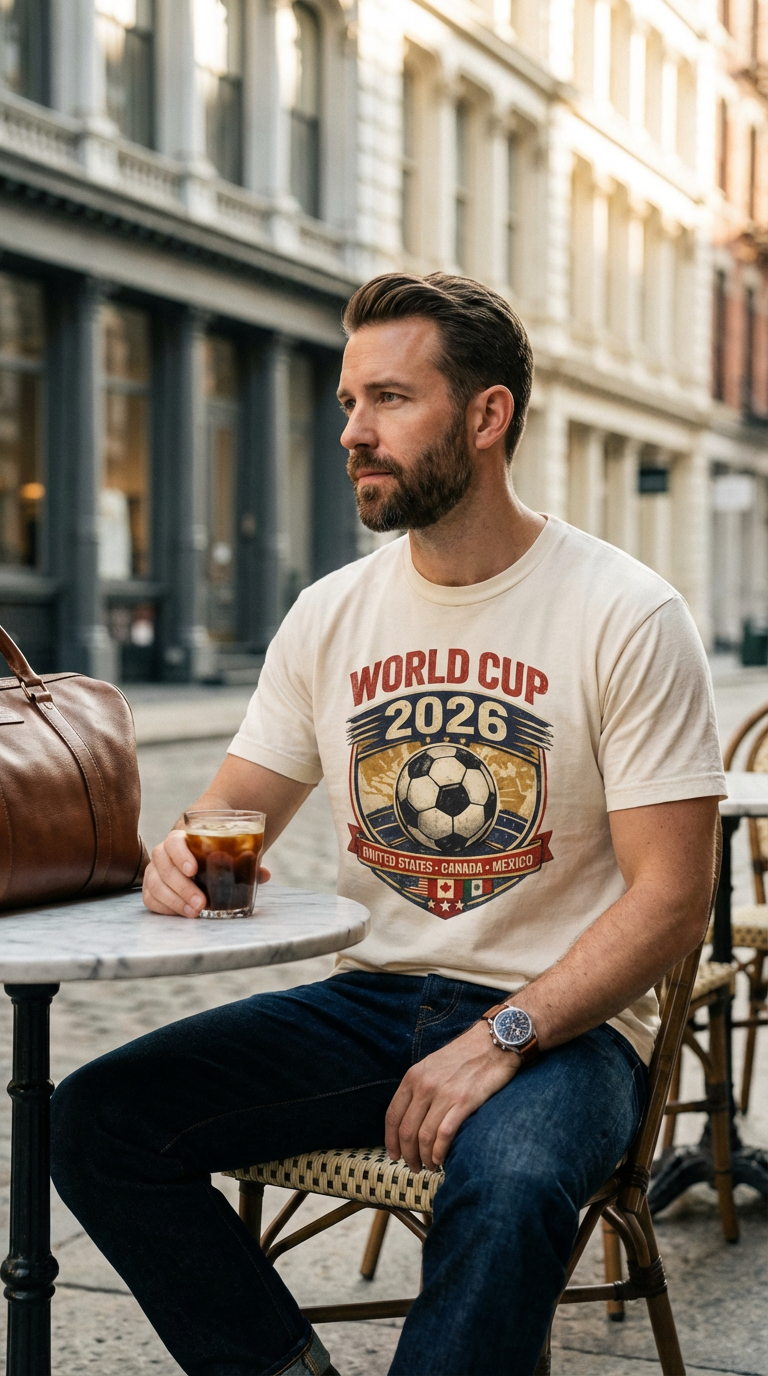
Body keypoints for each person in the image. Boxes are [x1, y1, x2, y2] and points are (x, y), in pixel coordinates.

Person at [50, 273, 725, 1376]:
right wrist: (184, 856)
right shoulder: (331, 611)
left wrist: (502, 1037)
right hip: (370, 1003)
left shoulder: (626, 612)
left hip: (567, 1027)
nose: (354, 432)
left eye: (390, 399)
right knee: (93, 1118)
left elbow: (671, 896)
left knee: (505, 1184)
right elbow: (233, 816)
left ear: (487, 415)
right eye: (349, 401)